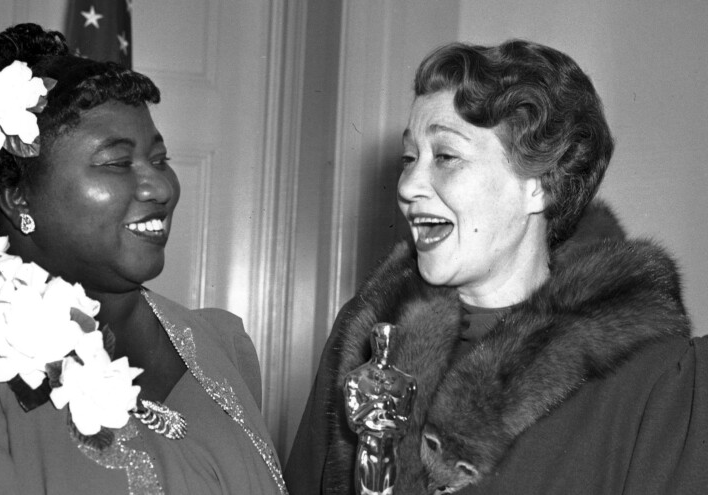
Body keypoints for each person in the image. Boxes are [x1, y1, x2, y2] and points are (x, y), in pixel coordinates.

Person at [0, 23, 287, 495]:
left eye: (160, 158)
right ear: (17, 197)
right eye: (115, 163)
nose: (162, 187)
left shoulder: (221, 343)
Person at [285, 39, 708, 494]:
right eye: (410, 158)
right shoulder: (366, 334)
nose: (408, 185)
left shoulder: (652, 379)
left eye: (445, 157)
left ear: (541, 185)